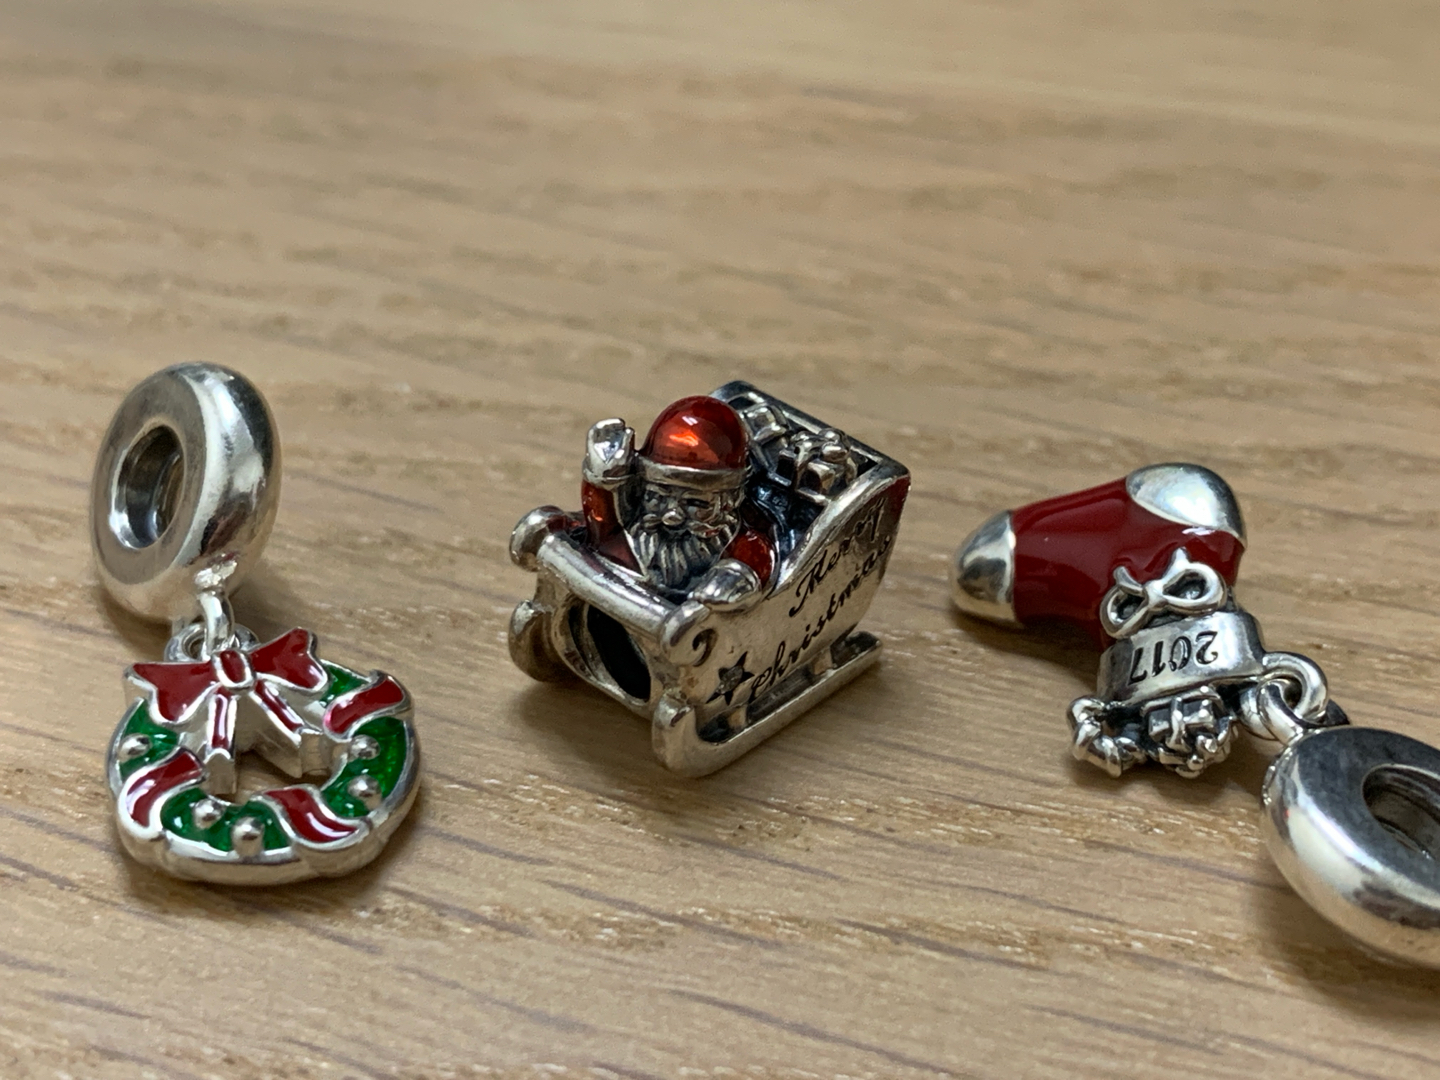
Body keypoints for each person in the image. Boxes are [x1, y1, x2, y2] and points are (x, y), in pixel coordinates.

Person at [580, 396, 775, 601]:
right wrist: (602, 481)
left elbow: (757, 554)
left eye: (695, 503)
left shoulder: (740, 544)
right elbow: (601, 535)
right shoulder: (630, 536)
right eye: (657, 498)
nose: (671, 517)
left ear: (731, 501)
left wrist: (735, 578)